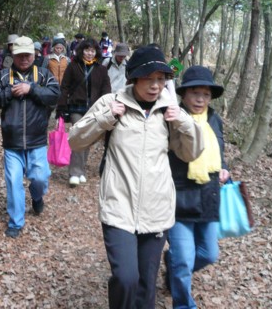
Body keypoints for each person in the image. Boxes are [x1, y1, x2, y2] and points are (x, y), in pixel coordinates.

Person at [68, 45, 202, 309]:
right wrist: (107, 117)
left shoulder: (169, 110)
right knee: (126, 278)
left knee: (146, 285)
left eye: (161, 79)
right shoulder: (111, 103)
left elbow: (192, 153)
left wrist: (185, 122)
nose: (155, 85)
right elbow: (76, 140)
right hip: (119, 206)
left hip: (157, 210)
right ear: (133, 78)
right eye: (148, 78)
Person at [165, 65, 230, 308]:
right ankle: (184, 304)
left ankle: (172, 268)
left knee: (208, 254)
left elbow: (219, 151)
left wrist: (224, 167)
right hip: (180, 196)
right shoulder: (172, 118)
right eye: (195, 93)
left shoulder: (214, 119)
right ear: (184, 94)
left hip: (209, 195)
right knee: (183, 260)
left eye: (205, 94)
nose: (200, 99)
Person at [0, 36, 61, 238]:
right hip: (12, 141)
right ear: (13, 55)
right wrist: (9, 93)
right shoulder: (3, 76)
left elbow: (55, 95)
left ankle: (37, 197)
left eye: (28, 54)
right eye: (20, 55)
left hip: (37, 140)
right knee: (13, 181)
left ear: (34, 55)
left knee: (40, 177)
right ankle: (16, 222)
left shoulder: (43, 75)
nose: (24, 58)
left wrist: (32, 89)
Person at [56, 38, 111, 187]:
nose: (89, 53)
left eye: (92, 51)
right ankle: (74, 172)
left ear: (96, 52)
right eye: (87, 50)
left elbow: (106, 89)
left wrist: (105, 106)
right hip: (76, 107)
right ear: (82, 51)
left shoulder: (101, 69)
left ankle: (81, 169)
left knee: (88, 138)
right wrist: (61, 107)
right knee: (79, 135)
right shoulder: (73, 66)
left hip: (94, 109)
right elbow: (65, 87)